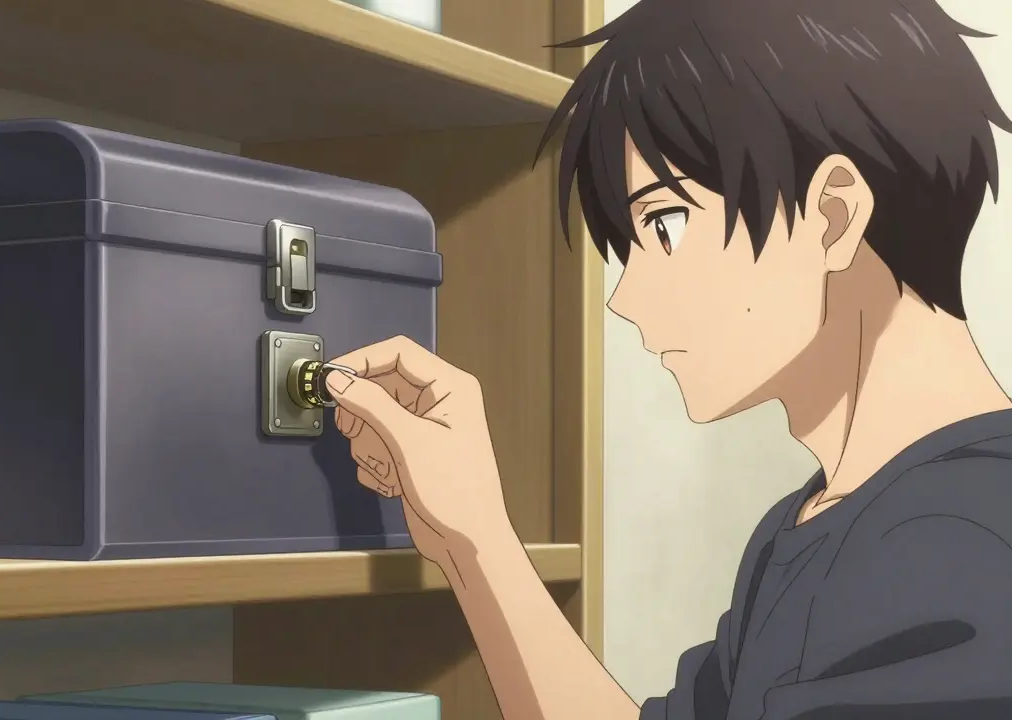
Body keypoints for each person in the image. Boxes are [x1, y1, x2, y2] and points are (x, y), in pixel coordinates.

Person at [323, 0, 1012, 718]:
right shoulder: (818, 523)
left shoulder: (957, 541)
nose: (626, 298)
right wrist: (472, 537)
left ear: (832, 215)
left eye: (667, 223)